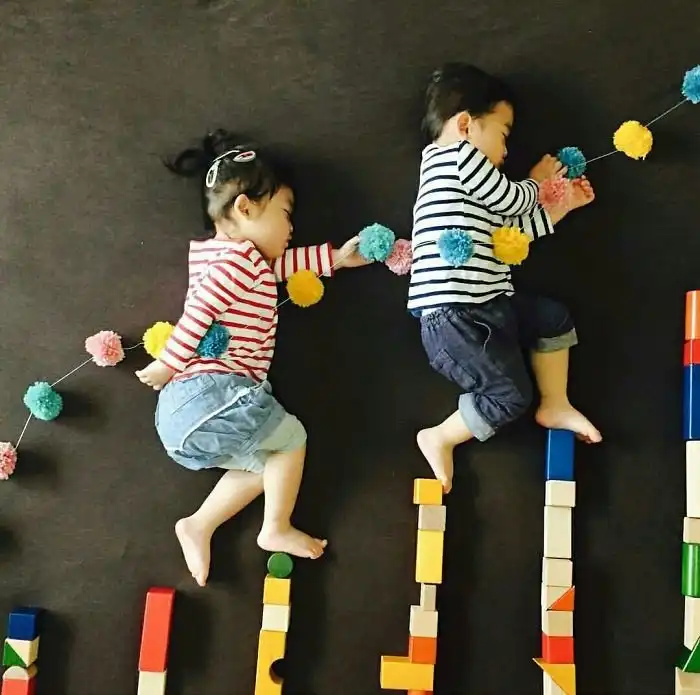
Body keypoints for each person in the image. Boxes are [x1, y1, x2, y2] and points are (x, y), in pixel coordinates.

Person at [136, 130, 370, 586]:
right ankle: (275, 527)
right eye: (285, 214)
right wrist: (169, 363)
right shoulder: (236, 262)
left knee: (269, 468)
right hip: (208, 392)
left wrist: (337, 259)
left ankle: (199, 524)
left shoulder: (240, 262)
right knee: (292, 439)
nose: (292, 228)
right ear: (244, 208)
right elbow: (198, 312)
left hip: (190, 417)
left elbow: (283, 267)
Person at [408, 63, 602, 494]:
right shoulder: (456, 157)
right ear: (465, 125)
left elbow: (509, 236)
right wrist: (538, 182)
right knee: (509, 396)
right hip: (455, 318)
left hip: (488, 305)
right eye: (503, 134)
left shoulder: (467, 180)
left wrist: (560, 208)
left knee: (553, 318)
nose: (506, 151)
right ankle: (440, 436)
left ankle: (556, 402)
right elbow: (511, 200)